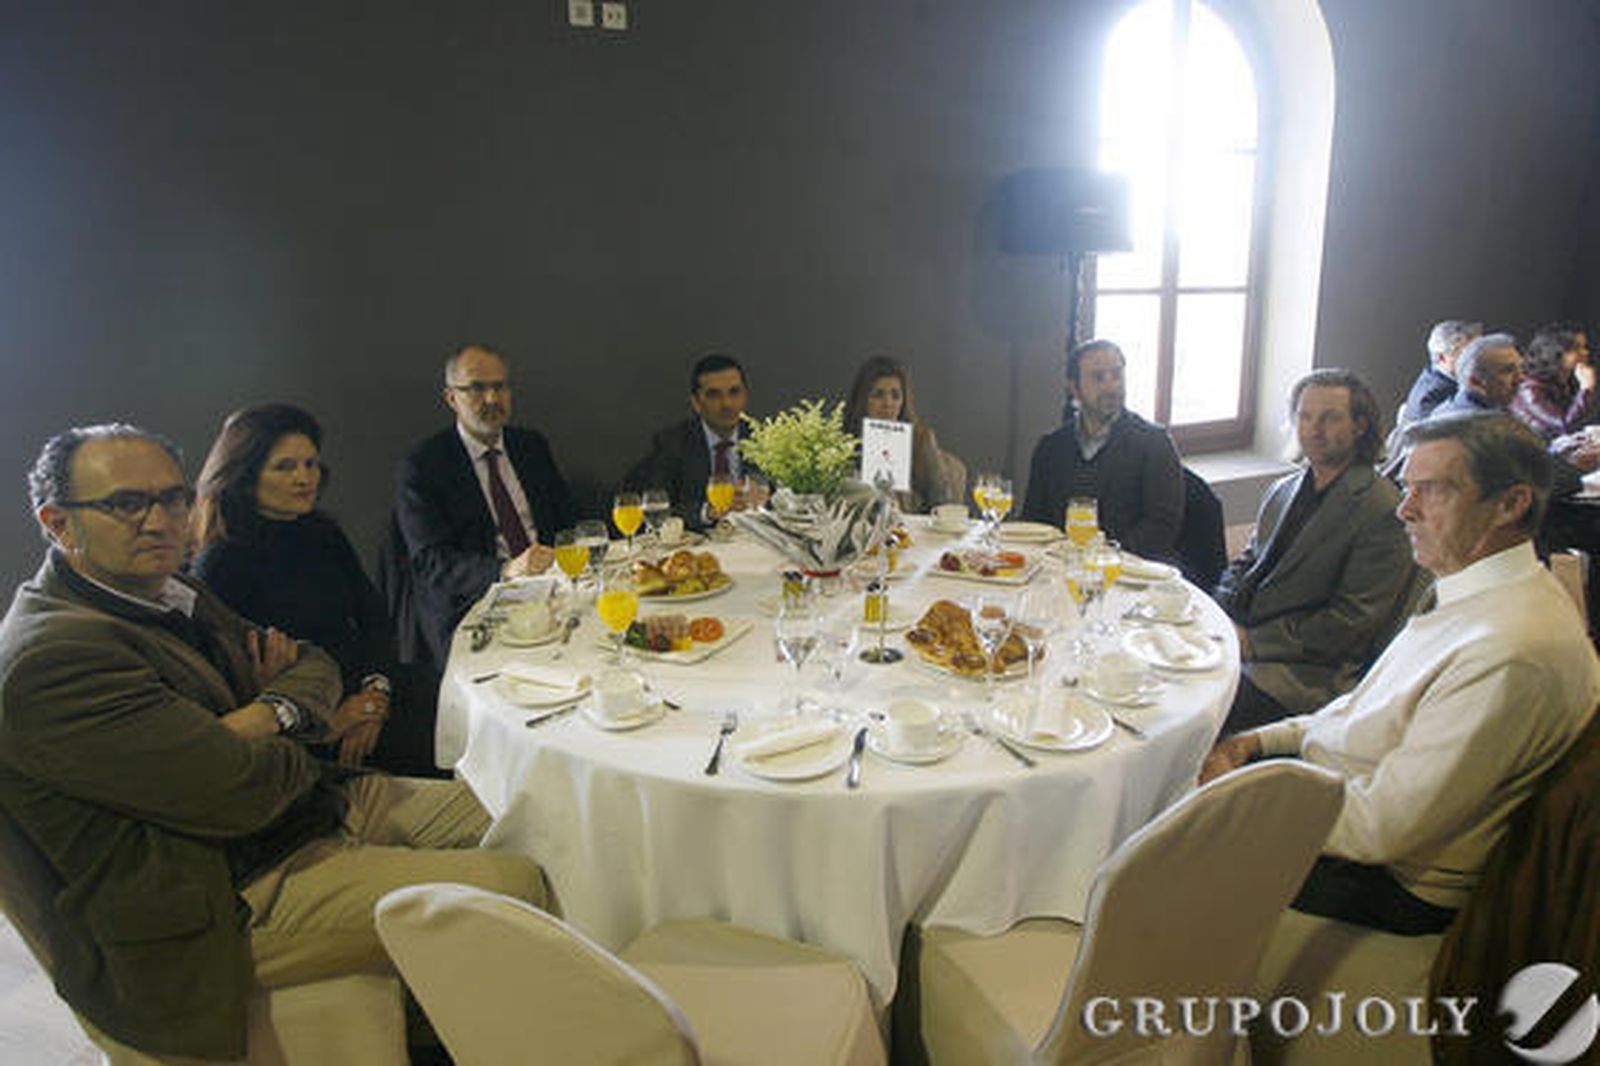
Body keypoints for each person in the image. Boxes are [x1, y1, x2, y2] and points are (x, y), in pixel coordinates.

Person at [0, 425, 545, 1060]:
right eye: (126, 503)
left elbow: (313, 663)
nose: (160, 520)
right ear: (58, 523)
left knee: (535, 811)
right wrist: (285, 728)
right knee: (516, 883)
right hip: (224, 888)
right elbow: (235, 794)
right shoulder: (51, 657)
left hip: (310, 806)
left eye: (173, 499)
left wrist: (262, 717)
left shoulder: (173, 591)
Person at [1201, 413, 1600, 935]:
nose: (1404, 511)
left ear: (1510, 504)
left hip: (1387, 884)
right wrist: (1256, 742)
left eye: (1430, 491)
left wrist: (1240, 796)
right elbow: (1363, 708)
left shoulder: (1510, 648)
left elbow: (1381, 830)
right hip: (1336, 795)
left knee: (1155, 841)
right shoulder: (1474, 590)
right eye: (1407, 488)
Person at [192, 403, 443, 778]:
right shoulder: (222, 563)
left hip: (369, 687)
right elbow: (235, 685)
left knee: (466, 703)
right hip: (310, 719)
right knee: (442, 748)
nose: (304, 478)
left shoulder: (321, 530)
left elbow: (374, 618)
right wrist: (335, 716)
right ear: (246, 476)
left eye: (310, 464)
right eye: (285, 467)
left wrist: (376, 695)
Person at [1214, 370, 1421, 733]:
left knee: (1192, 713)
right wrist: (1218, 613)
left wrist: (1254, 644)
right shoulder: (1285, 487)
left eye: (1330, 417)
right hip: (1242, 637)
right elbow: (1247, 562)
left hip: (1303, 674)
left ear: (1360, 426)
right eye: (1305, 417)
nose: (1314, 429)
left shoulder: (1381, 506)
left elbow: (1350, 622)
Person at [394, 344, 575, 665]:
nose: (492, 399)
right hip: (475, 604)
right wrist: (506, 569)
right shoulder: (424, 465)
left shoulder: (530, 445)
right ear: (451, 397)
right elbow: (430, 562)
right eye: (477, 388)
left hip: (552, 590)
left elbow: (566, 520)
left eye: (499, 387)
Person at [1020, 338, 1184, 559]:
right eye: (1098, 378)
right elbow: (1033, 522)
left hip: (1128, 573)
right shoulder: (1051, 447)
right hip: (1059, 567)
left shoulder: (1154, 443)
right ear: (1074, 388)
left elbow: (1162, 527)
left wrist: (1103, 558)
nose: (1111, 386)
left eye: (1116, 375)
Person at [625, 352, 764, 530]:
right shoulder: (671, 443)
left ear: (745, 396)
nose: (727, 403)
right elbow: (657, 510)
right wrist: (707, 512)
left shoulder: (763, 438)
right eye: (714, 395)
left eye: (734, 392)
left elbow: (790, 499)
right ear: (696, 403)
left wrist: (763, 500)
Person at [840, 354, 966, 512]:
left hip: (911, 532)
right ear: (862, 399)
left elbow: (944, 504)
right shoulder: (843, 441)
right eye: (878, 395)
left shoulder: (921, 440)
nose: (888, 403)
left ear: (903, 401)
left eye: (895, 395)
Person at [1510, 323, 1600, 470]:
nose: (1585, 353)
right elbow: (1562, 426)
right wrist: (1586, 389)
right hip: (1536, 464)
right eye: (1577, 348)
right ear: (1555, 353)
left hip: (1562, 457)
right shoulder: (1530, 389)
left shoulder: (1564, 382)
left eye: (1584, 347)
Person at [1401, 319, 1482, 425]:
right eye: (1465, 353)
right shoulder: (1431, 397)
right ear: (1442, 357)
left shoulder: (1438, 375)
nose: (1473, 359)